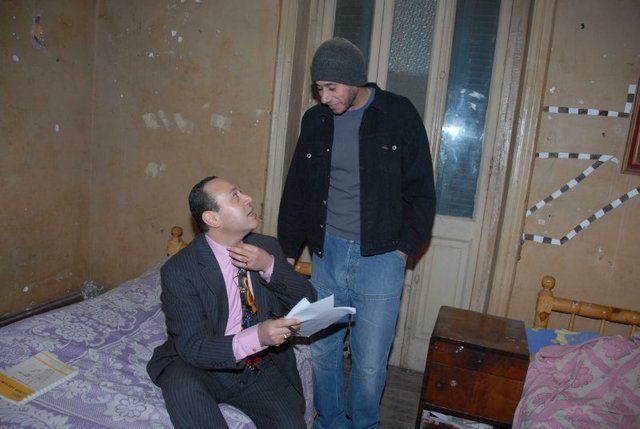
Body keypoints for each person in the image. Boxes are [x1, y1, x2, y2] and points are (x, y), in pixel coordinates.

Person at [278, 37, 436, 429]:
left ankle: (363, 424)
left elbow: (421, 192)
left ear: (354, 80)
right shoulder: (315, 121)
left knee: (369, 362)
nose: (325, 97)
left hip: (381, 257)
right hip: (327, 252)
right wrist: (287, 252)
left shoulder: (398, 114)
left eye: (332, 88)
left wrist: (402, 251)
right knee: (323, 351)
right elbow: (298, 189)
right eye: (319, 88)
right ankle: (329, 422)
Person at [147, 175, 315, 429]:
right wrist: (258, 336)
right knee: (180, 384)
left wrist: (269, 266)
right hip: (201, 366)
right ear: (212, 219)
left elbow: (308, 300)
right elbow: (193, 347)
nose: (248, 199)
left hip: (258, 364)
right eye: (236, 196)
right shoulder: (180, 270)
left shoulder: (267, 247)